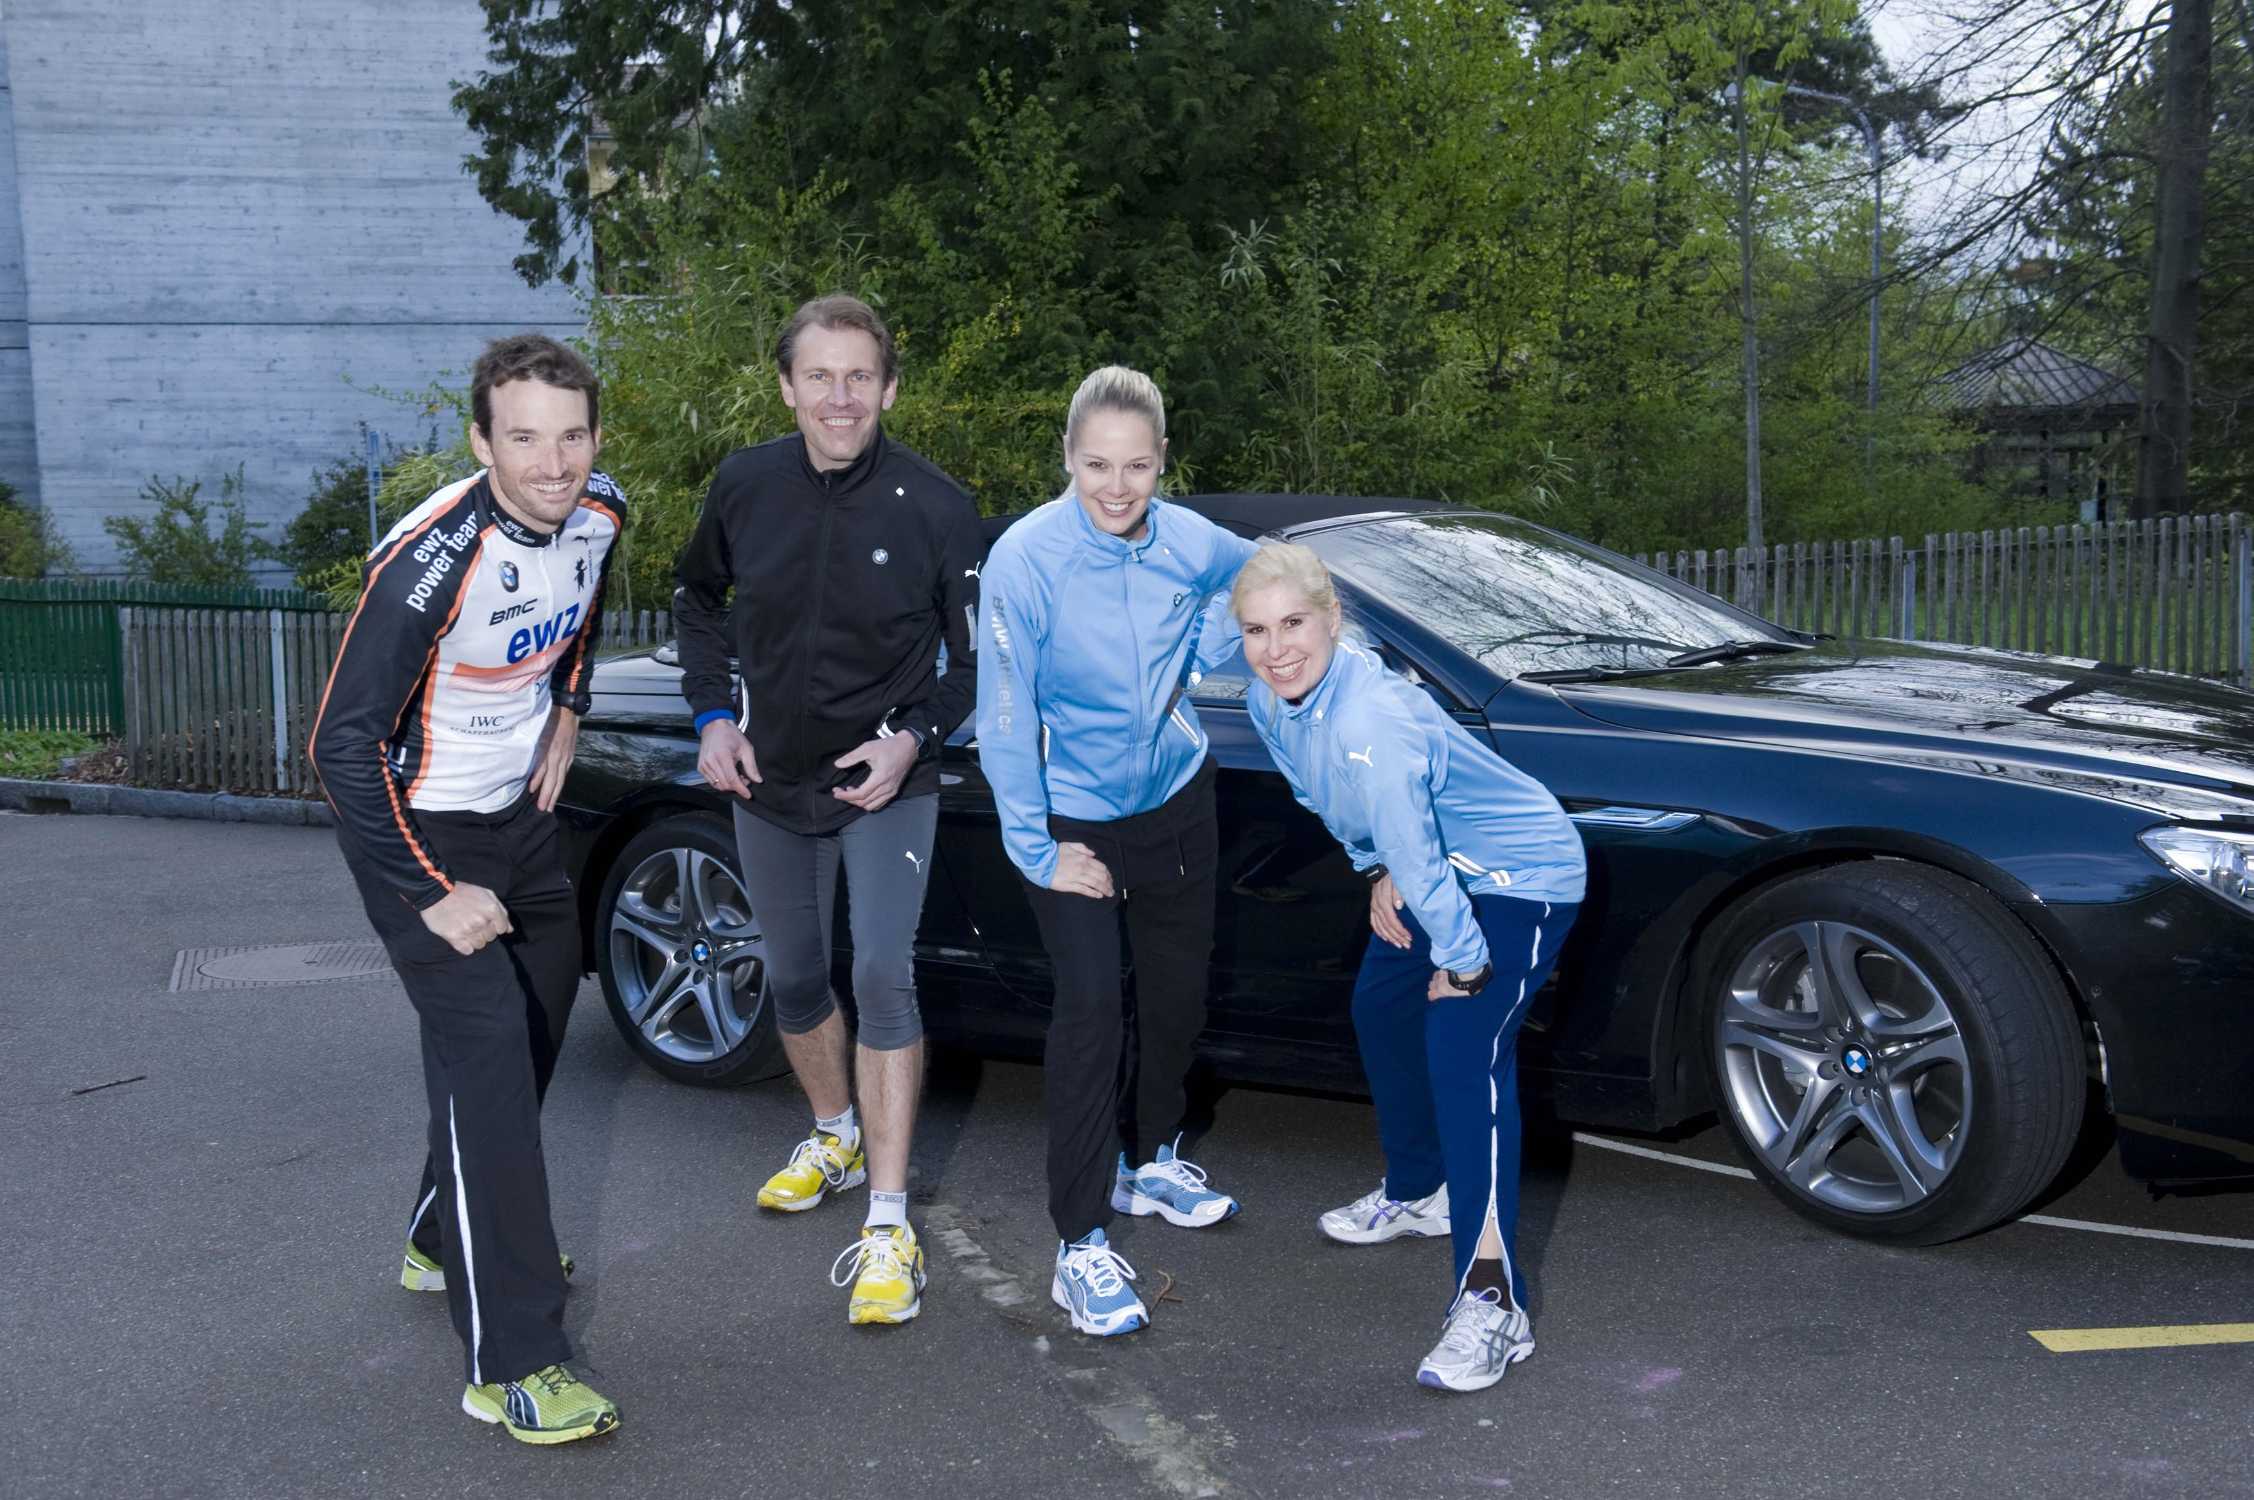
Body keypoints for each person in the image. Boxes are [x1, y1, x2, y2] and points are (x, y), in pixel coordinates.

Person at [309, 333, 624, 1443]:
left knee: (534, 1037)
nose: (553, 463)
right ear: (482, 442)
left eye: (571, 436)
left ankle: (445, 1232)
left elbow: (580, 612)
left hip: (521, 820)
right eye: (525, 438)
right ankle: (514, 1362)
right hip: (419, 830)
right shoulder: (430, 562)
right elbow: (340, 746)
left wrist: (572, 702)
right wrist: (430, 890)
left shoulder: (601, 513)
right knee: (488, 1059)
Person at [674, 293, 982, 1326]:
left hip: (882, 782)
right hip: (768, 780)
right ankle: (833, 1133)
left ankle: (889, 1226)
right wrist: (714, 717)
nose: (839, 397)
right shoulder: (744, 483)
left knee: (883, 975)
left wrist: (910, 742)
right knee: (796, 977)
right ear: (786, 387)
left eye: (859, 377)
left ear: (888, 389)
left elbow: (977, 663)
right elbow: (696, 601)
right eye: (820, 376)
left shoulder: (937, 505)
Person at [1231, 542, 1586, 1392]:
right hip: (1435, 868)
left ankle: (1494, 1300)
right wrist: (1377, 866)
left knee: (1463, 1048)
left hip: (1522, 875)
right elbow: (1330, 802)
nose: (1277, 649)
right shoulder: (1269, 701)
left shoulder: (1373, 719)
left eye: (1294, 624)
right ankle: (1423, 1190)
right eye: (1257, 631)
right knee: (1381, 1007)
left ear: (1332, 621)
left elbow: (1414, 841)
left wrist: (1464, 964)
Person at [975, 366, 1258, 1338]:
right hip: (1071, 818)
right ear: (1067, 457)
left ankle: (1153, 1160)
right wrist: (1037, 848)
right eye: (1096, 464)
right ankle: (1080, 1242)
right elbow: (1004, 716)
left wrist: (1213, 638)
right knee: (1092, 1013)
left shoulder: (1187, 540)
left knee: (1177, 1002)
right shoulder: (1026, 558)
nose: (1116, 486)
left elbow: (1259, 582)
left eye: (1136, 465)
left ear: (1162, 461)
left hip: (1176, 798)